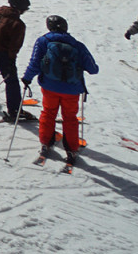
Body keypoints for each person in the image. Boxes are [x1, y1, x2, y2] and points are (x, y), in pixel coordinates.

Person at [22, 14, 98, 159]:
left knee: (48, 113)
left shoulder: (43, 41)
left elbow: (35, 63)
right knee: (70, 118)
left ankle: (46, 142)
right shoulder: (77, 45)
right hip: (72, 89)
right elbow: (93, 69)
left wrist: (27, 78)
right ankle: (71, 149)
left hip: (49, 86)